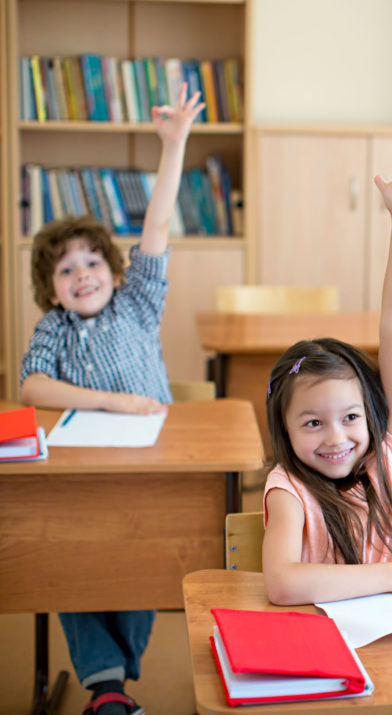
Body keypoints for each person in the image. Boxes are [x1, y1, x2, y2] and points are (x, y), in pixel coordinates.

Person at [19, 85, 203, 715]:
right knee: (69, 561)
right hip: (81, 471)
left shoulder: (137, 302)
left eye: (92, 261)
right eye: (65, 271)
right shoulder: (52, 331)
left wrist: (174, 144)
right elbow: (30, 387)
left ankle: (116, 675)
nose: (82, 276)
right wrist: (108, 401)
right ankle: (107, 689)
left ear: (116, 271)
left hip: (152, 467)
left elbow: (155, 223)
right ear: (51, 290)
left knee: (138, 563)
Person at [261, 135, 392, 606]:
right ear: (283, 425)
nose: (336, 437)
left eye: (351, 417)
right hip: (337, 647)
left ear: (371, 414)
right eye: (313, 422)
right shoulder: (289, 489)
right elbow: (281, 585)